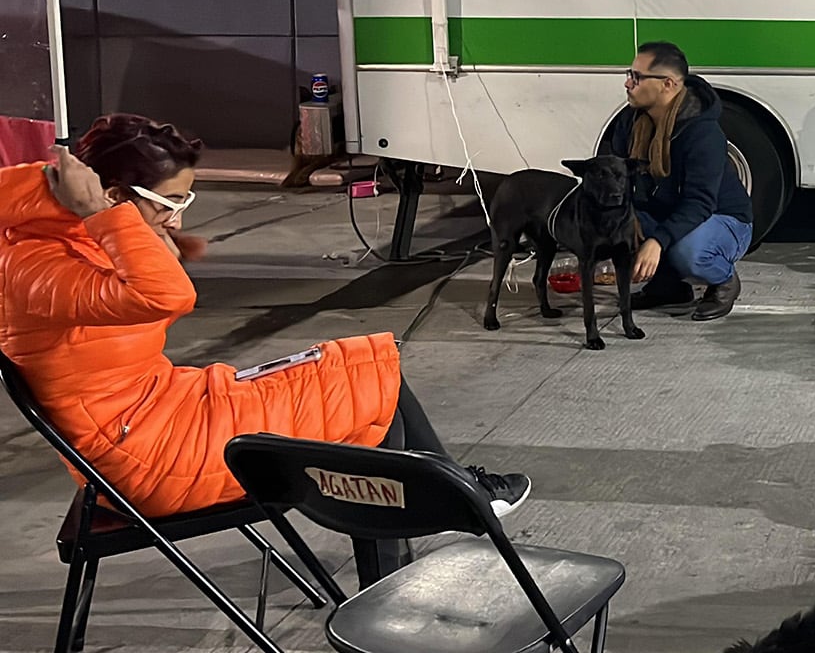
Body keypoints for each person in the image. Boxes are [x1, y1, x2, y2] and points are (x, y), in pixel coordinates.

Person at [0, 115, 531, 580]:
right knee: (364, 391)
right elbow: (167, 294)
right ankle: (409, 561)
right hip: (148, 455)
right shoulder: (36, 266)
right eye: (169, 202)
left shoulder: (66, 237)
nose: (179, 218)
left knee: (361, 366)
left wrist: (125, 220)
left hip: (166, 412)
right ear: (109, 196)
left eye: (185, 199)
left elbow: (156, 278)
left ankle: (454, 499)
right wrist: (112, 218)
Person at [595, 41, 754, 320]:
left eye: (637, 77)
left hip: (722, 217)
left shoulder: (703, 133)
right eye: (629, 74)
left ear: (667, 84)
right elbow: (619, 177)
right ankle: (669, 288)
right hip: (666, 213)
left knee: (688, 253)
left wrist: (656, 241)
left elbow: (700, 203)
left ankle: (724, 280)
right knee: (609, 226)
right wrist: (626, 217)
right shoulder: (630, 121)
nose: (627, 83)